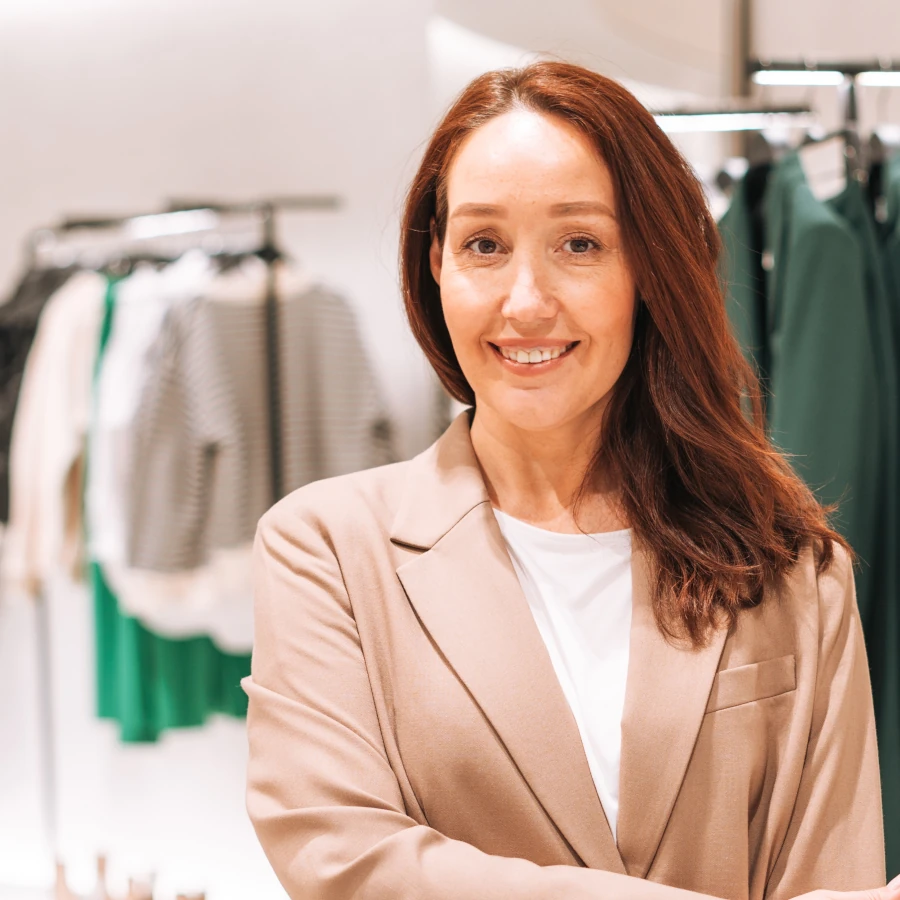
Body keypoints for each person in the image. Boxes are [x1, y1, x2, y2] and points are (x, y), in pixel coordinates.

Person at [242, 61, 896, 900]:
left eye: (579, 244)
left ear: (648, 269)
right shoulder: (328, 550)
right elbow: (345, 860)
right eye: (484, 245)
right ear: (435, 262)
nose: (525, 302)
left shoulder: (791, 564)